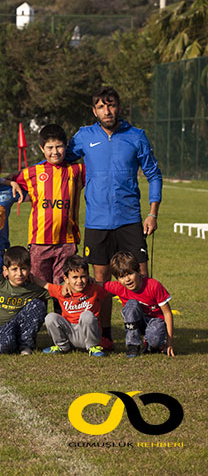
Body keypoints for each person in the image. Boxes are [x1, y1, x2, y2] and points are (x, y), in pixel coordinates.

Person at [66, 87, 162, 349]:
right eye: (101, 106)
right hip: (96, 222)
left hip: (130, 219)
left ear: (118, 107)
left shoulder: (136, 136)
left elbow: (154, 175)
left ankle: (146, 333)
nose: (107, 111)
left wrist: (152, 214)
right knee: (101, 281)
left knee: (140, 275)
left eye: (111, 105)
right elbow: (59, 161)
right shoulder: (84, 136)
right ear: (94, 110)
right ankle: (105, 334)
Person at [16, 124, 85, 289]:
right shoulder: (31, 173)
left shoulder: (77, 170)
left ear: (66, 146)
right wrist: (11, 183)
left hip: (66, 242)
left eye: (59, 146)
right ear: (41, 148)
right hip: (40, 242)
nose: (55, 152)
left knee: (64, 289)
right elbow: (9, 181)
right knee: (38, 288)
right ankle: (38, 316)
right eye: (50, 147)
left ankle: (61, 316)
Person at [104, 251, 174, 358]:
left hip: (155, 322)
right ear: (117, 279)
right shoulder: (118, 287)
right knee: (131, 304)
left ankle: (150, 344)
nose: (127, 279)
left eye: (130, 274)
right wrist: (69, 283)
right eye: (122, 277)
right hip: (137, 322)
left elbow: (167, 313)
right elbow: (96, 286)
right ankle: (133, 344)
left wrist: (169, 342)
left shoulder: (154, 286)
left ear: (138, 271)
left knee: (155, 339)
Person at [39, 255, 108, 357]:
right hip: (70, 333)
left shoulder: (94, 289)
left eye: (83, 276)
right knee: (50, 317)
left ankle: (93, 347)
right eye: (75, 277)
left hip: (88, 335)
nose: (79, 281)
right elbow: (46, 285)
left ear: (88, 276)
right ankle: (62, 346)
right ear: (66, 278)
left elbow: (111, 289)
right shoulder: (62, 291)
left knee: (87, 315)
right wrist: (30, 278)